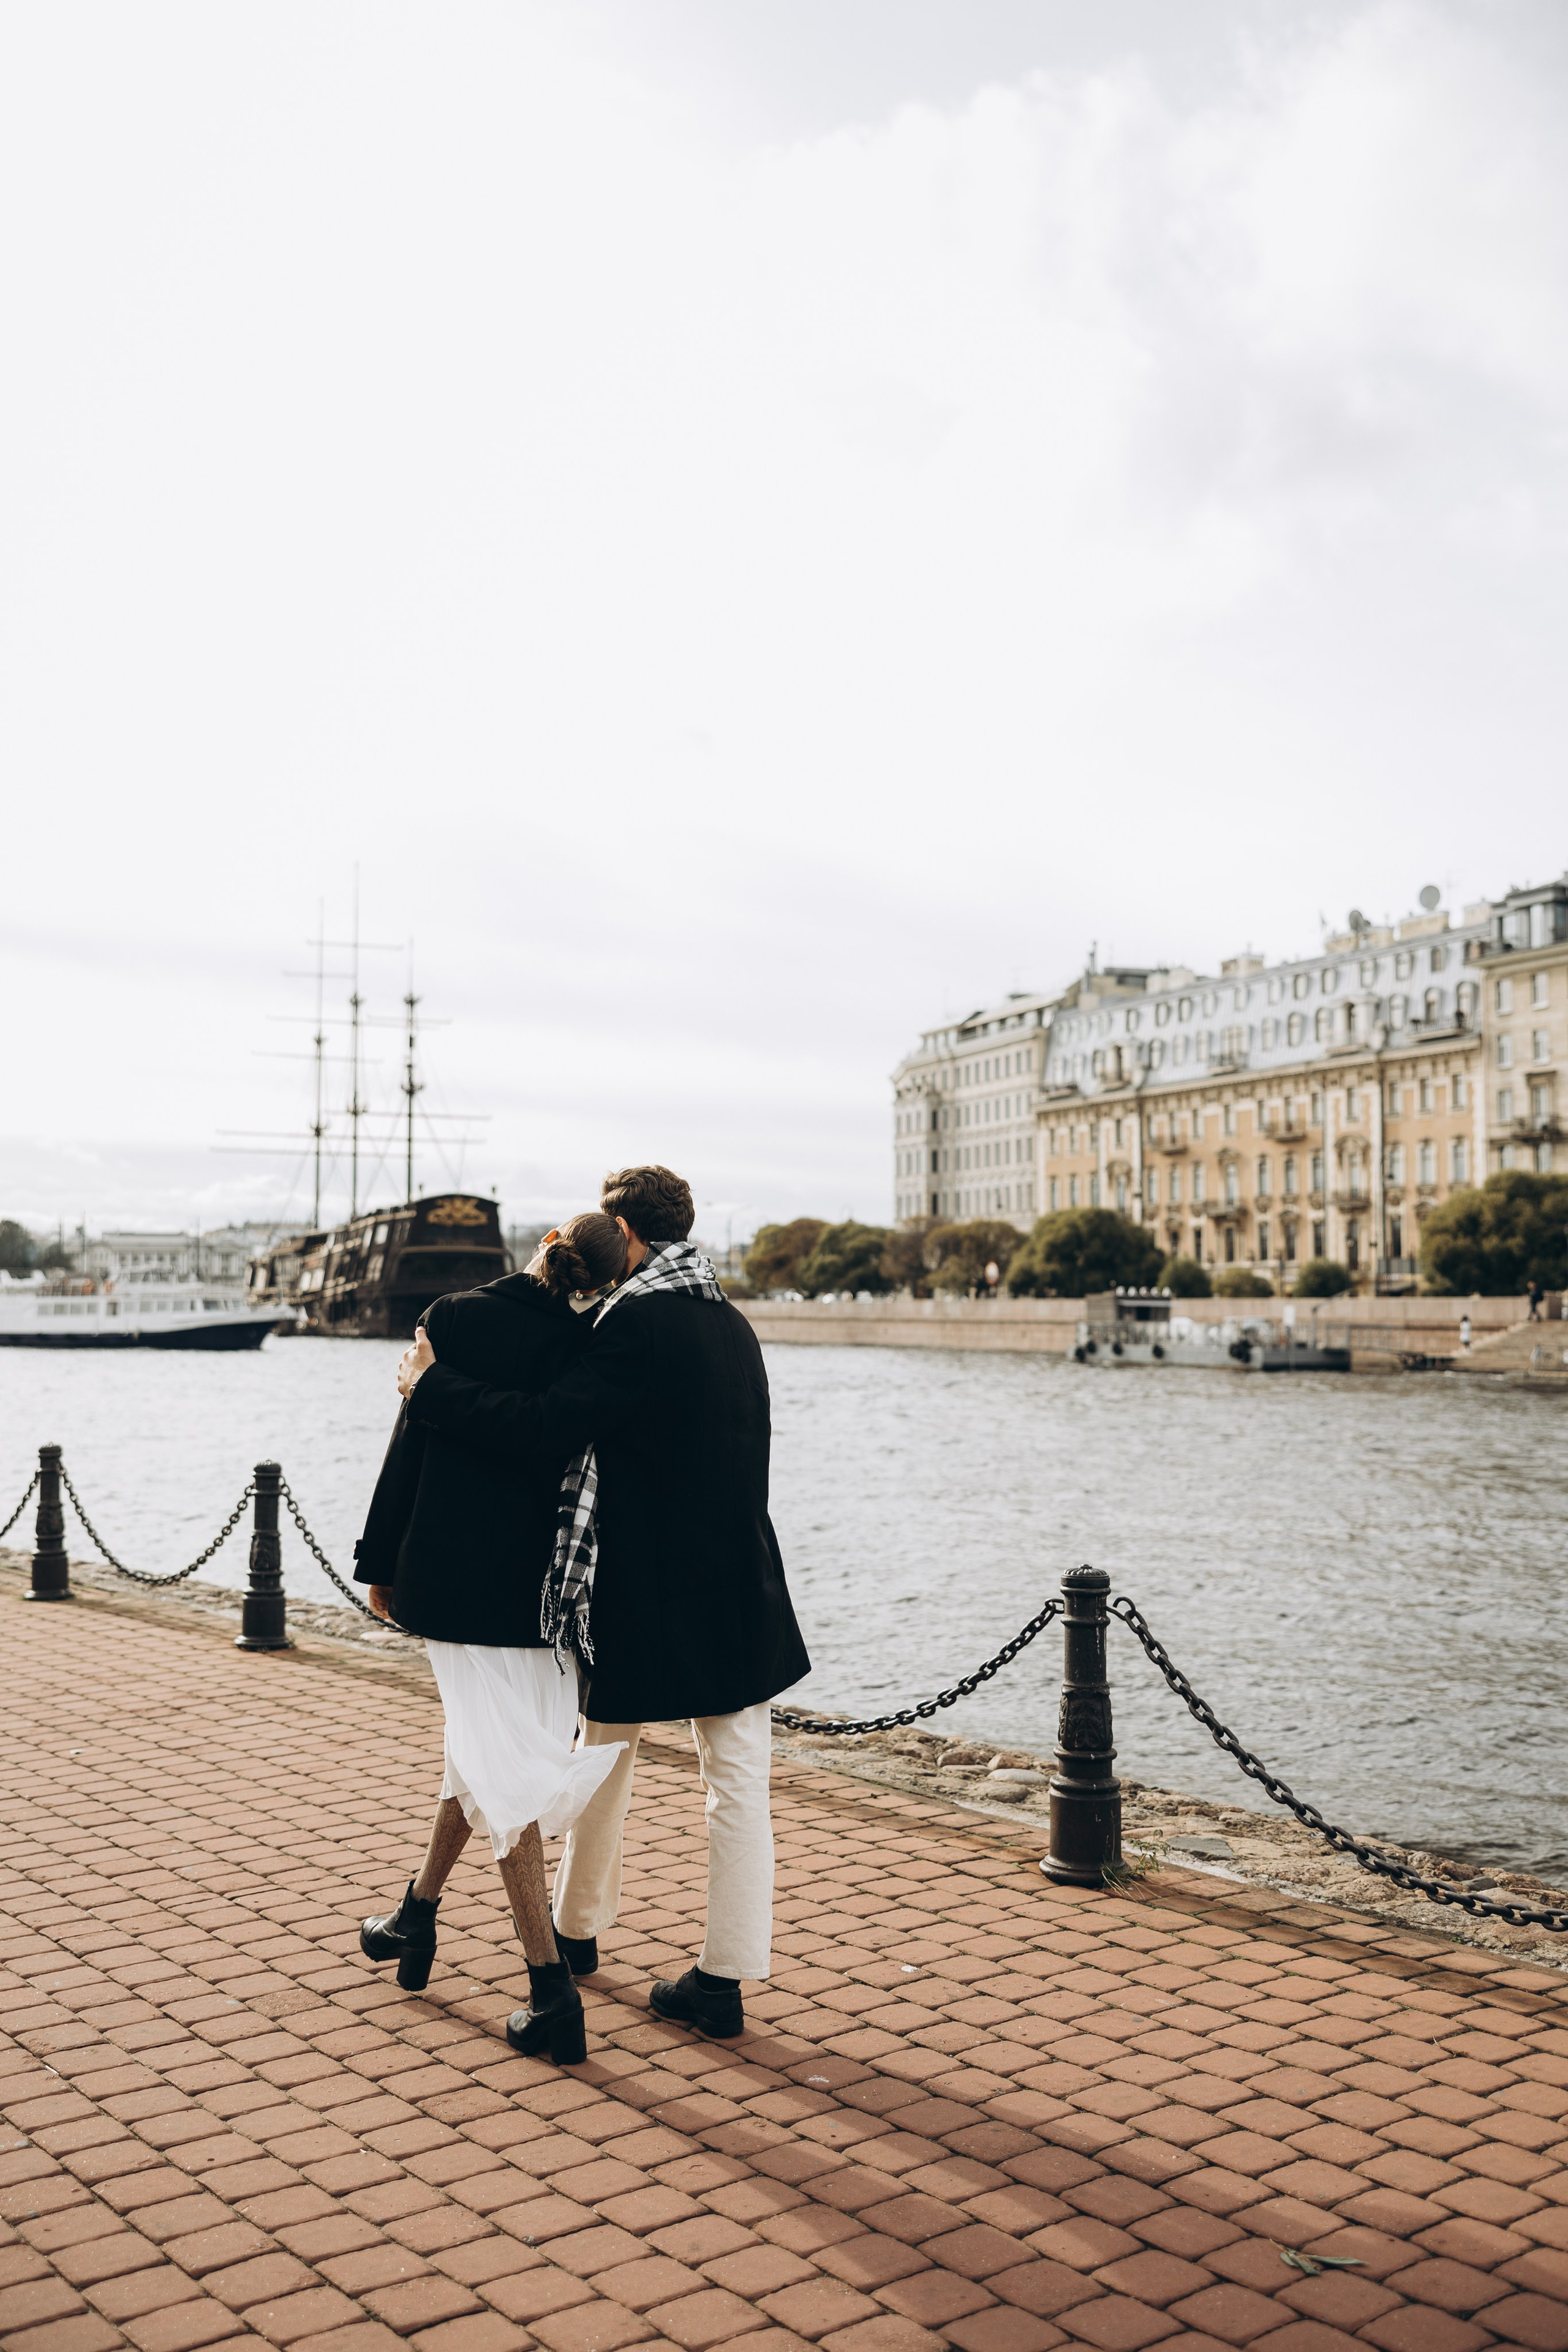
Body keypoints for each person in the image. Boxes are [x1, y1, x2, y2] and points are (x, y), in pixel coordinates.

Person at [398, 1163, 809, 2040]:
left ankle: (576, 1934)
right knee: (736, 1787)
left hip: (646, 1592)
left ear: (625, 1235)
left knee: (604, 1761)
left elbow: (547, 1424)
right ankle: (722, 1979)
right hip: (744, 1589)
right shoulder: (734, 1324)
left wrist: (432, 1389)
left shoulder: (633, 1325)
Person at [352, 1212, 630, 2065]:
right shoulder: (592, 1345)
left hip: (450, 1578)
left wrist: (379, 1558)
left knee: (499, 1768)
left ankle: (551, 1991)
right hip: (540, 1594)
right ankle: (416, 1917)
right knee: (479, 1749)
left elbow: (411, 1449)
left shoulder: (456, 1318)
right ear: (601, 1281)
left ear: (545, 1244)